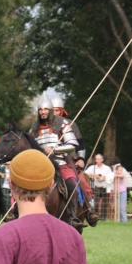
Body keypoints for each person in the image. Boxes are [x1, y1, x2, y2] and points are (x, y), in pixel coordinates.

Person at [28, 95, 96, 229]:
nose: (43, 112)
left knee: (74, 184)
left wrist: (80, 158)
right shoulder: (34, 128)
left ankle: (76, 215)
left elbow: (76, 145)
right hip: (41, 163)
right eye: (41, 110)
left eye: (47, 109)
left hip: (63, 160)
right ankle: (16, 212)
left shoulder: (66, 124)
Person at [85, 153, 114, 220]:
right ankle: (96, 216)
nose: (97, 160)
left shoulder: (107, 168)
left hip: (104, 187)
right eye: (96, 159)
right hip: (96, 187)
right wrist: (95, 176)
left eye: (98, 159)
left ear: (102, 160)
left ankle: (103, 217)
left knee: (104, 203)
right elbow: (85, 174)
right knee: (96, 203)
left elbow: (111, 176)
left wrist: (103, 178)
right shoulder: (92, 167)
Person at [109, 158, 132, 222]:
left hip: (122, 191)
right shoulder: (113, 173)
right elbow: (111, 176)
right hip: (116, 191)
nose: (120, 171)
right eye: (119, 170)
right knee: (117, 207)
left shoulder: (122, 173)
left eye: (121, 170)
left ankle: (124, 220)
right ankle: (117, 219)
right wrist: (116, 175)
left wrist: (117, 175)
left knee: (122, 207)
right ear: (116, 170)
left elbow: (123, 175)